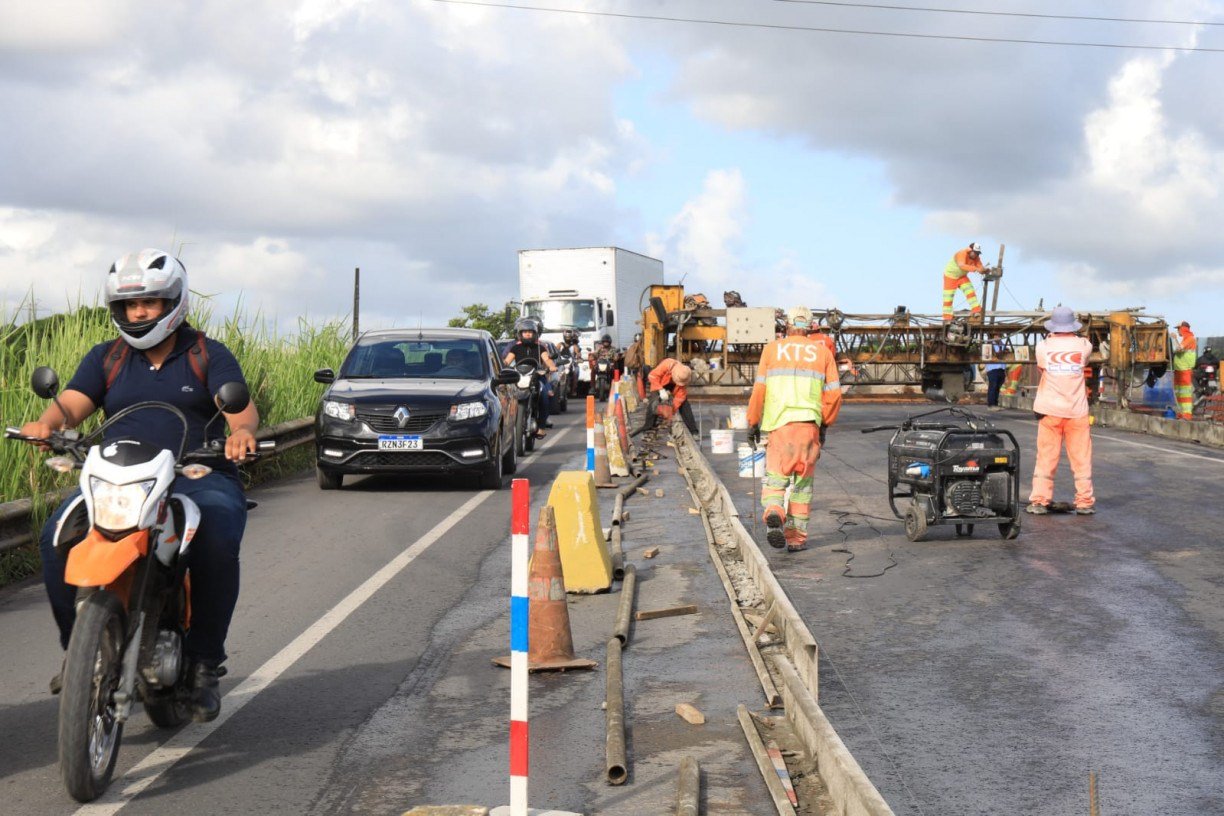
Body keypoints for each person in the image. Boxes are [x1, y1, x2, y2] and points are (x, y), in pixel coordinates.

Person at [19, 249, 259, 721]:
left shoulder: (206, 353)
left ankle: (205, 665)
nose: (139, 312)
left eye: (149, 302)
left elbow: (241, 410)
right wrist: (46, 424)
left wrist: (242, 434)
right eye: (130, 305)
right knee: (54, 539)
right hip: (120, 477)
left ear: (174, 302)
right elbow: (69, 406)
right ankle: (81, 652)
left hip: (196, 474)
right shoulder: (107, 357)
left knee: (216, 535)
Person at [747, 306, 842, 552]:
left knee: (776, 481)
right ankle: (796, 539)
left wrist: (753, 422)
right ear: (811, 326)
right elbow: (834, 395)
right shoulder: (823, 353)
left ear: (787, 325)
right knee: (802, 488)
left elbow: (760, 390)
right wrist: (824, 425)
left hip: (780, 428)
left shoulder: (771, 350)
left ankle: (774, 510)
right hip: (809, 428)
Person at [1026, 306, 1095, 515]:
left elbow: (1042, 369)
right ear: (1073, 325)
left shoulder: (1043, 347)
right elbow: (1085, 358)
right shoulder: (1084, 345)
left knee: (1046, 457)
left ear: (1053, 326)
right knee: (1081, 459)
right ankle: (1084, 502)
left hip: (1049, 410)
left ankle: (1039, 501)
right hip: (1077, 411)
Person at [503, 317, 556, 436]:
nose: (528, 334)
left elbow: (547, 359)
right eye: (525, 332)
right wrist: (501, 366)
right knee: (506, 394)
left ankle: (542, 426)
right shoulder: (515, 347)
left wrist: (552, 366)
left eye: (530, 332)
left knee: (546, 395)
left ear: (535, 334)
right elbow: (507, 361)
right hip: (519, 376)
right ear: (520, 334)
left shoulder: (540, 347)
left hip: (537, 376)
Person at [642, 358, 696, 434]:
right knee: (654, 402)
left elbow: (679, 398)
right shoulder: (667, 364)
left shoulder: (684, 376)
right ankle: (648, 426)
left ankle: (693, 431)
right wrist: (660, 390)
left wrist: (671, 411)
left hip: (673, 386)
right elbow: (652, 376)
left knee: (684, 404)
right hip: (659, 383)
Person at [942, 242, 986, 322]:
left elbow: (980, 267)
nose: (976, 255)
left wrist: (984, 270)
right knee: (948, 298)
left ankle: (976, 310)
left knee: (970, 291)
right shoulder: (961, 253)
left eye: (977, 253)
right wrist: (976, 269)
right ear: (970, 250)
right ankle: (947, 318)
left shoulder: (976, 258)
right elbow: (962, 265)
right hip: (950, 277)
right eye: (975, 253)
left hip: (962, 277)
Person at [1172, 321, 1197, 420]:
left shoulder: (1189, 339)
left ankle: (1187, 414)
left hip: (1185, 370)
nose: (1178, 331)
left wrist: (1174, 339)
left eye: (1178, 329)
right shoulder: (1185, 339)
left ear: (1183, 328)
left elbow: (1178, 349)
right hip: (1179, 370)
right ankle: (1181, 413)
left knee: (1185, 393)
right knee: (1179, 393)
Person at [985, 339, 1007, 410]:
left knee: (998, 387)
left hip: (1001, 368)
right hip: (993, 368)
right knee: (993, 386)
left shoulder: (1002, 344)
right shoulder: (990, 343)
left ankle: (995, 404)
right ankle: (991, 404)